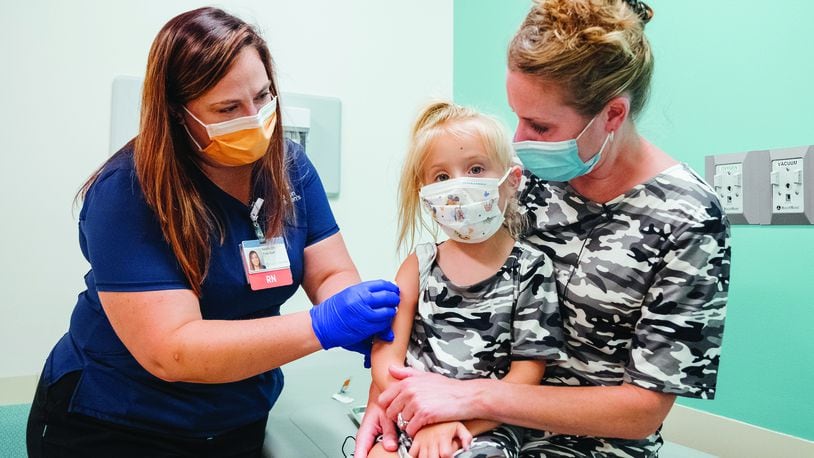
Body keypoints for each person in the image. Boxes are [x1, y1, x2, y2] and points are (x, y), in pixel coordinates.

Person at [356, 1, 731, 457]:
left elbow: (642, 411)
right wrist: (388, 400)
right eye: (517, 116)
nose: (518, 141)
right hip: (466, 421)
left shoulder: (688, 218)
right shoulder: (523, 181)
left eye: (539, 125)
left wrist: (469, 398)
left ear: (612, 115)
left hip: (589, 446)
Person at [26, 7, 400, 457]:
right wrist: (323, 325)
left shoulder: (289, 168)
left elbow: (328, 271)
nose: (255, 118)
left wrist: (353, 310)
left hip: (235, 418)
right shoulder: (128, 191)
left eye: (263, 97)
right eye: (228, 109)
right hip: (119, 424)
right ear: (177, 113)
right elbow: (173, 350)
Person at [366, 102, 567, 458]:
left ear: (511, 182)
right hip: (411, 416)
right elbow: (387, 356)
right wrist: (417, 416)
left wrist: (455, 423)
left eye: (475, 169)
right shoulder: (419, 265)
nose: (458, 187)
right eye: (441, 177)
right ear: (426, 195)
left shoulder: (532, 269)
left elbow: (527, 375)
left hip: (487, 424)